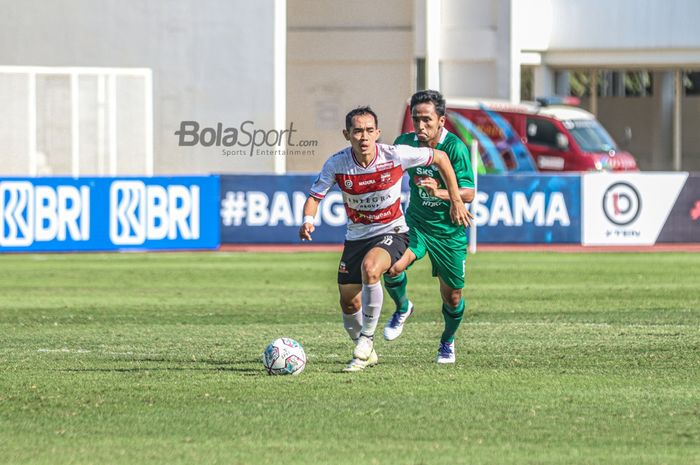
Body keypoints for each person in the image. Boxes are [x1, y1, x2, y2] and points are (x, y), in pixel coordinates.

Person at [298, 106, 469, 372]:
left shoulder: (395, 155)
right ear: (347, 134)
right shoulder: (337, 164)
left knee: (372, 268)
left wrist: (455, 198)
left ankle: (366, 339)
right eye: (357, 131)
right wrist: (308, 221)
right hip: (356, 237)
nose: (364, 137)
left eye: (369, 131)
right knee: (348, 301)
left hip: (393, 231)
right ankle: (368, 351)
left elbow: (441, 158)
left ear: (377, 133)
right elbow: (314, 197)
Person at [384, 90, 475, 364]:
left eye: (427, 120)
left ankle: (447, 341)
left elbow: (468, 193)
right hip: (417, 223)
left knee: (453, 297)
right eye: (416, 119)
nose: (420, 126)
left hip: (448, 233)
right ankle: (403, 307)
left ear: (441, 121)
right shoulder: (405, 142)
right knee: (392, 266)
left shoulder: (455, 148)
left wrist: (442, 194)